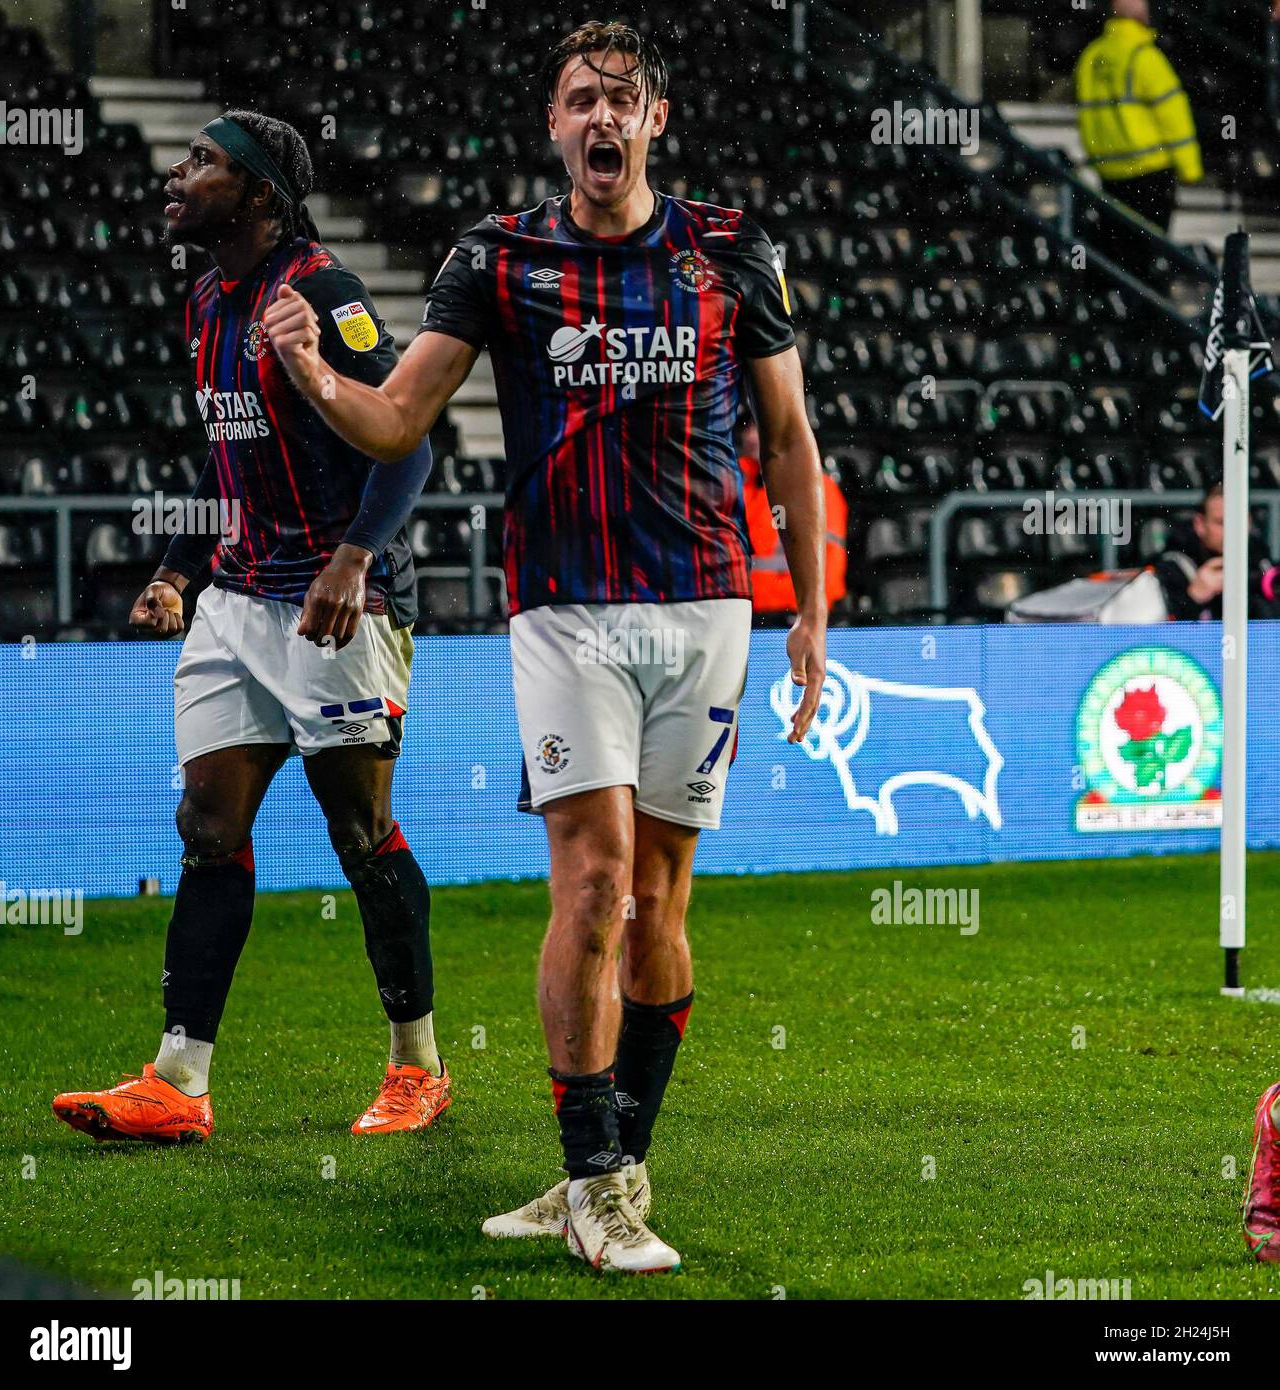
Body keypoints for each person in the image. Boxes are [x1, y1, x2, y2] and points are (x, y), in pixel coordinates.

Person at [263, 22, 828, 1272]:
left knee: (661, 901)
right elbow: (399, 414)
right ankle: (591, 1178)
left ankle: (610, 1173)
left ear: (657, 120)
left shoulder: (733, 250)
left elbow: (788, 440)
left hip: (711, 608)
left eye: (621, 99)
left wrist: (811, 604)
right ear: (555, 127)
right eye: (579, 100)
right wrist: (308, 371)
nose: (600, 118)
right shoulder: (497, 258)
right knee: (591, 881)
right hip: (564, 611)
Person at [51, 112, 451, 1144]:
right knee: (209, 827)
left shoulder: (325, 294)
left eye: (203, 165)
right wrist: (180, 569)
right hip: (236, 600)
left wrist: (354, 559)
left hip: (337, 603)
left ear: (260, 193)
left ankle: (419, 1066)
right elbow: (225, 455)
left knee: (360, 835)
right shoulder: (204, 299)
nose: (177, 177)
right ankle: (179, 1082)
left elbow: (407, 447)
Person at [1075, 0, 1202, 233]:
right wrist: (1190, 168)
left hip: (1110, 170)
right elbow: (1173, 116)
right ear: (1142, 16)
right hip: (1149, 169)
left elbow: (1086, 113)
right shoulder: (1144, 56)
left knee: (1120, 250)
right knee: (1149, 247)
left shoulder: (1092, 56)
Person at [737, 408, 847, 620]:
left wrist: (811, 611)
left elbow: (830, 564)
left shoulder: (818, 489)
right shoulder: (743, 485)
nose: (749, 436)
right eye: (748, 428)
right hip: (750, 612)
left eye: (758, 428)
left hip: (791, 614)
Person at [1152, 484, 1280, 620]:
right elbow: (1153, 635)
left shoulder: (1262, 563)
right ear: (1200, 524)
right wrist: (1193, 598)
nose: (1232, 530)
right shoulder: (1174, 567)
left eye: (1239, 521)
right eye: (1222, 523)